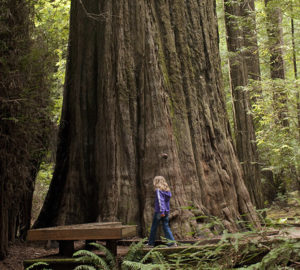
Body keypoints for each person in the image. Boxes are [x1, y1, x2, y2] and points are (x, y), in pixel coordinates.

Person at [147, 176, 177, 247]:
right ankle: (172, 242)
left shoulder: (158, 191)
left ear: (156, 182)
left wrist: (162, 212)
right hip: (166, 211)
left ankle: (150, 243)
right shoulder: (167, 191)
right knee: (166, 226)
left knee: (154, 227)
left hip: (160, 212)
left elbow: (161, 201)